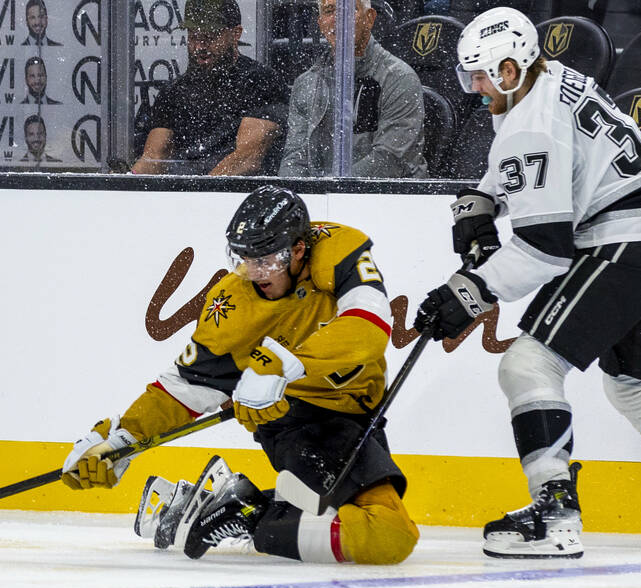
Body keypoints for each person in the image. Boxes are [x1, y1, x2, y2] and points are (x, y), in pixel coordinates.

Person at [412, 7, 641, 559]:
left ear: (510, 70)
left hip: (631, 246)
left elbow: (546, 249)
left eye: (480, 75)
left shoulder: (526, 125)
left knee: (527, 365)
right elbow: (551, 158)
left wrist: (467, 292)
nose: (473, 88)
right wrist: (482, 200)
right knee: (636, 387)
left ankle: (555, 516)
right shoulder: (553, 76)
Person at [61, 185, 417, 564]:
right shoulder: (229, 308)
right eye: (245, 259)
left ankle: (210, 506)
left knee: (335, 517)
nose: (254, 272)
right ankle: (245, 514)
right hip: (300, 420)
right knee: (387, 535)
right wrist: (121, 440)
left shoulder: (339, 248)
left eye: (267, 260)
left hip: (358, 414)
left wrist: (282, 364)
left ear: (299, 250)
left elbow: (370, 327)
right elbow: (184, 389)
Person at [279, 0, 429, 179]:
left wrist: (330, 189)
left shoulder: (399, 78)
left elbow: (389, 161)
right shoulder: (306, 82)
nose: (337, 19)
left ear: (370, 17)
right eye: (329, 11)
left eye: (348, 10)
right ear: (320, 22)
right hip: (325, 201)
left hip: (388, 201)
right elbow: (294, 158)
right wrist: (302, 196)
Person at [132, 0, 287, 176]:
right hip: (189, 194)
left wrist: (200, 195)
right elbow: (153, 158)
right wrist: (125, 185)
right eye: (194, 36)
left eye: (210, 37)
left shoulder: (260, 81)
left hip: (238, 196)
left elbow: (246, 159)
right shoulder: (173, 92)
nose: (200, 47)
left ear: (236, 34)